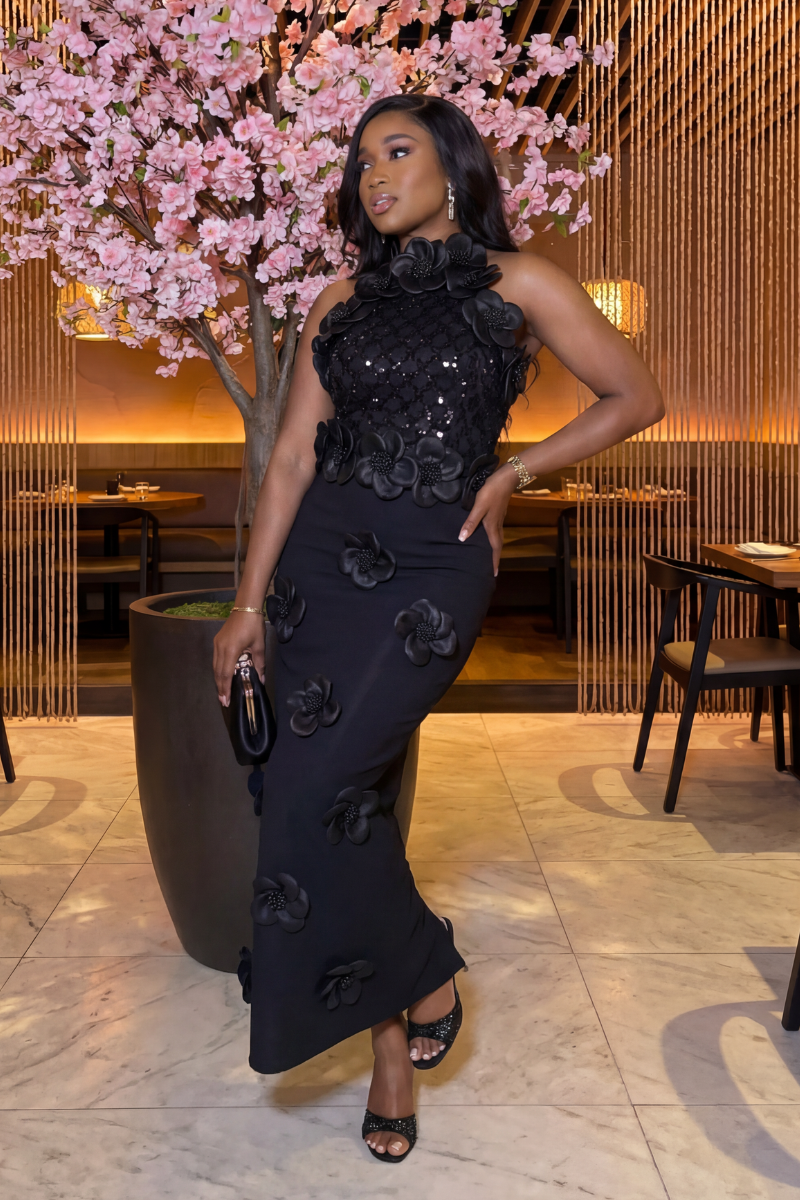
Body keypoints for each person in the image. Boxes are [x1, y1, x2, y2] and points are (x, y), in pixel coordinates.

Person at [213, 93, 664, 1163]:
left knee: (325, 790)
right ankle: (391, 1032)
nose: (373, 174)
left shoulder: (523, 284)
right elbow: (288, 462)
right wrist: (244, 604)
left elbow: (632, 396)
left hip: (429, 568)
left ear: (452, 166)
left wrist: (514, 471)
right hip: (318, 568)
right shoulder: (338, 298)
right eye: (362, 159)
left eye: (397, 151)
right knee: (312, 796)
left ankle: (420, 969)